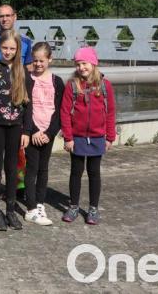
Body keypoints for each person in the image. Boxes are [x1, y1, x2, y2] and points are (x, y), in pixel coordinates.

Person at [0, 30, 32, 232]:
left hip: (16, 127)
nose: (8, 51)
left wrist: (27, 131)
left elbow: (29, 105)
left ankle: (10, 208)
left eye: (12, 48)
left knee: (13, 168)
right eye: (5, 48)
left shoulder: (22, 72)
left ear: (17, 49)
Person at [60, 46, 116, 226]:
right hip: (77, 137)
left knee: (94, 173)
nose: (81, 67)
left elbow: (110, 112)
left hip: (98, 136)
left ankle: (93, 208)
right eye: (78, 64)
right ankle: (74, 206)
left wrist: (110, 137)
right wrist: (68, 137)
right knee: (76, 172)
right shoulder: (72, 85)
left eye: (84, 63)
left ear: (93, 63)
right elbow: (64, 112)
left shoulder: (104, 85)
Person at [23, 42, 64, 226]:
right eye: (35, 60)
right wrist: (32, 130)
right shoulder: (27, 79)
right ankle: (31, 208)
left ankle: (40, 203)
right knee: (31, 168)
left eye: (42, 61)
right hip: (32, 131)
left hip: (48, 131)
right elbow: (25, 108)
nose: (38, 64)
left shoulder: (56, 81)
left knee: (43, 168)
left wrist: (49, 132)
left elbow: (60, 111)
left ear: (50, 59)